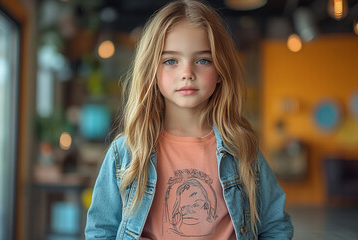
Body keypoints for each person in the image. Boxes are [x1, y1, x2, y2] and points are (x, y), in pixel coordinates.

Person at [85, 0, 293, 239]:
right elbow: (101, 232)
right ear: (152, 70)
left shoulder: (243, 149)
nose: (187, 73)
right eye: (170, 61)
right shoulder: (125, 153)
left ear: (220, 71)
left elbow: (275, 226)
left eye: (203, 60)